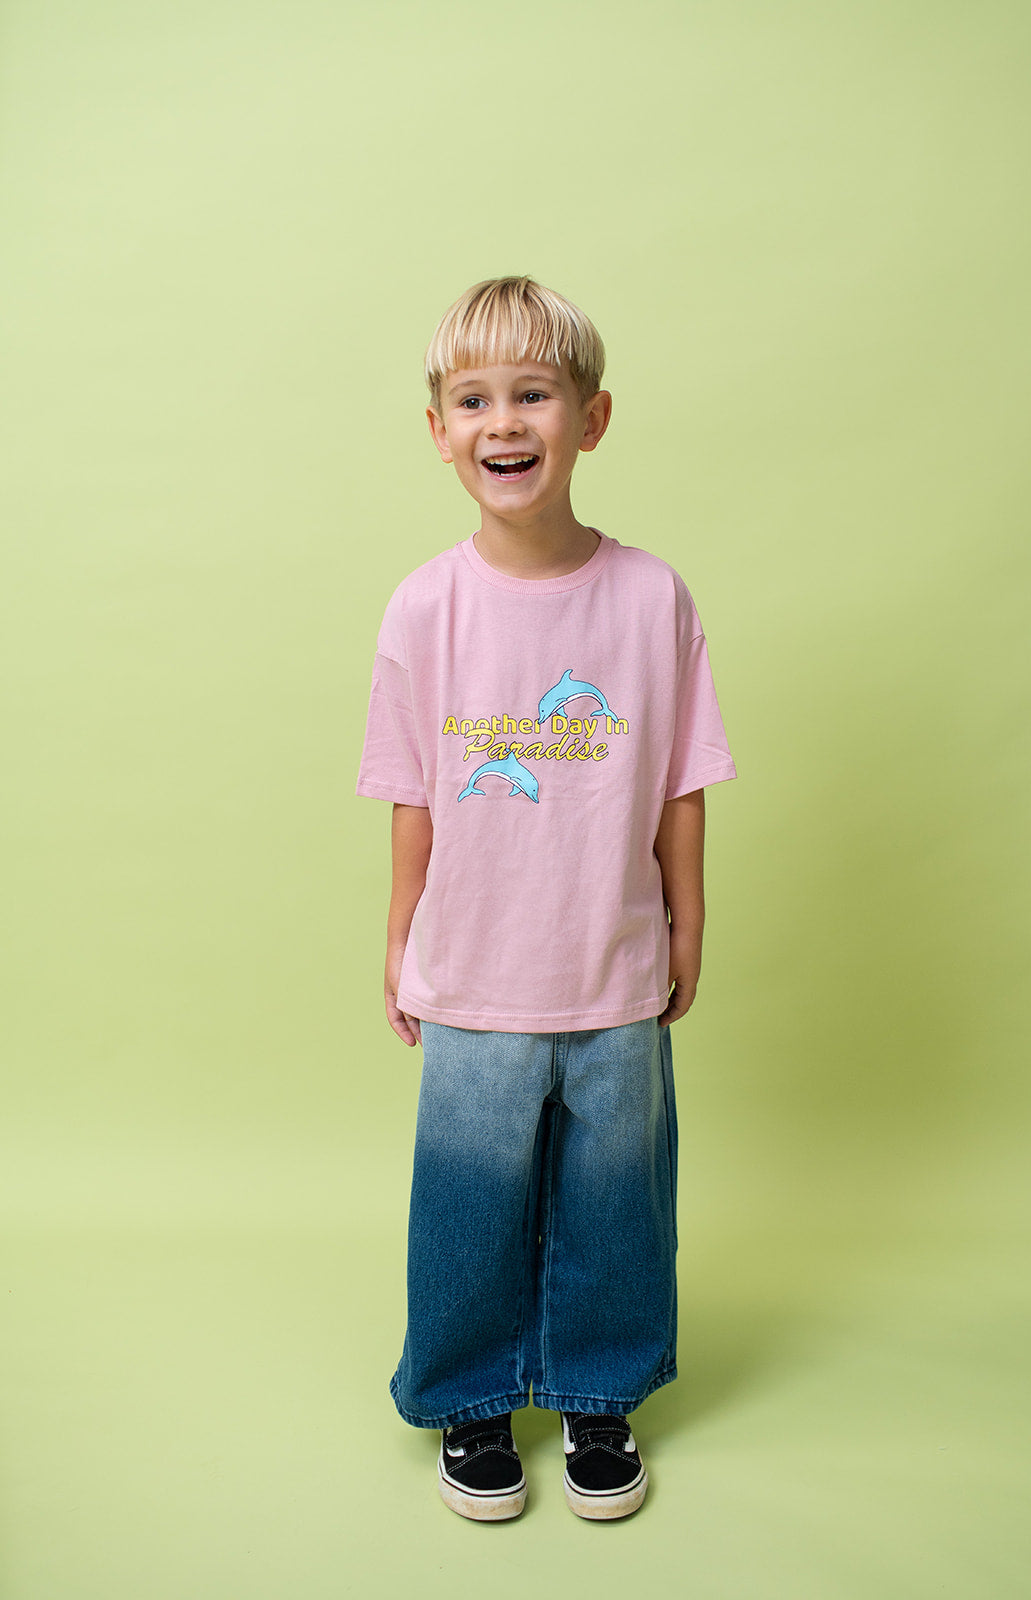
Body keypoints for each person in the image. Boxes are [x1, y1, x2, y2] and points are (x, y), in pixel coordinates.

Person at [356, 276, 737, 1521]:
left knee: (613, 1197)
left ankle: (596, 1390)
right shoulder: (424, 605)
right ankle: (470, 1395)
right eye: (472, 399)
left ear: (590, 417)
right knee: (467, 1196)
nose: (501, 421)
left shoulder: (649, 598)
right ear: (437, 429)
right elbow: (412, 788)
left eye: (532, 393)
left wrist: (686, 921)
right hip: (474, 966)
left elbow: (680, 780)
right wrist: (400, 935)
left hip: (612, 964)